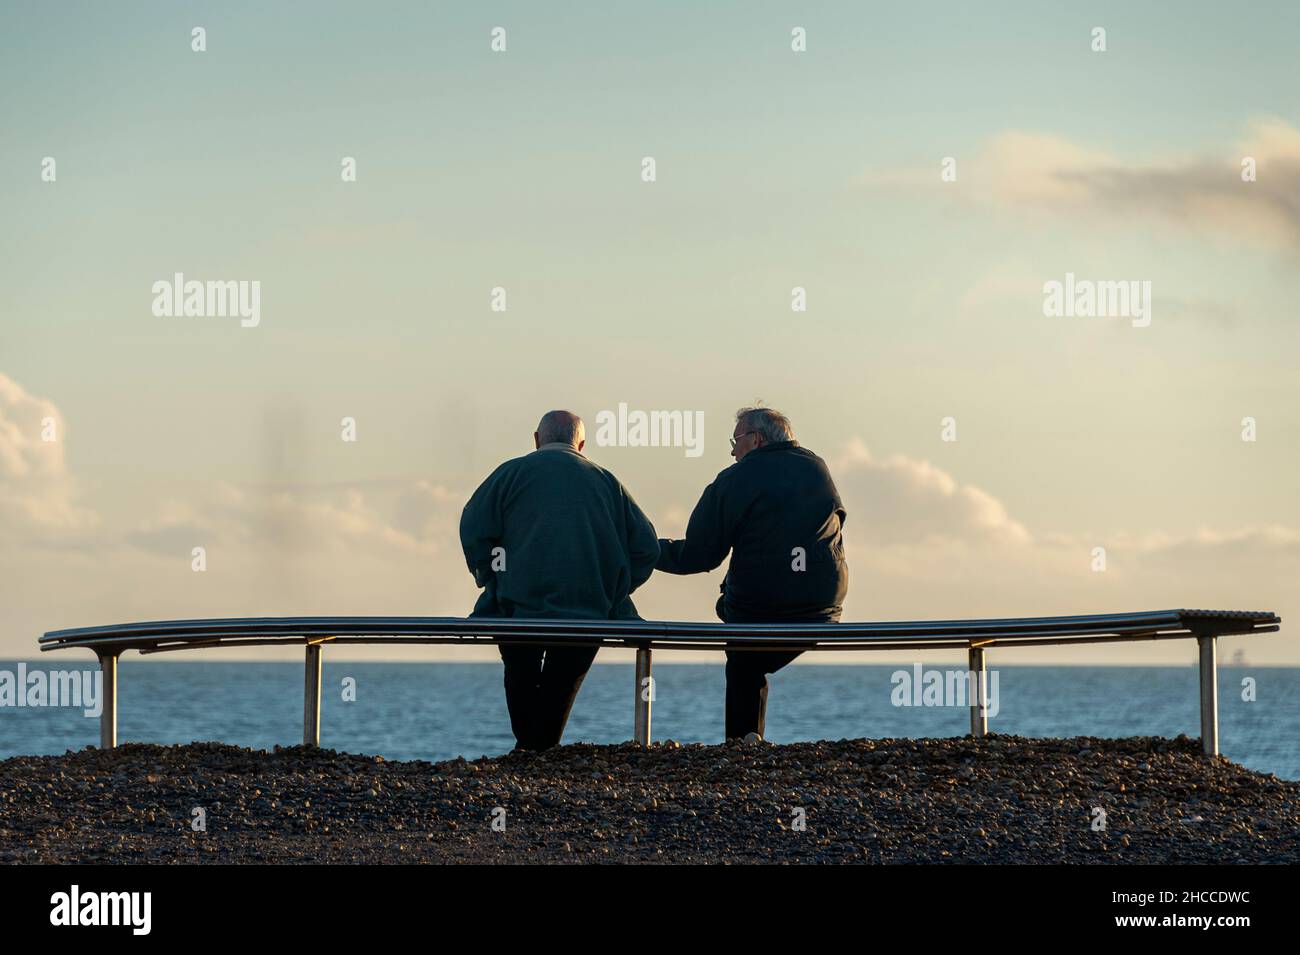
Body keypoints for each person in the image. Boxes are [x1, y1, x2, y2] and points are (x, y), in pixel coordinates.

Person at [460, 410, 659, 750]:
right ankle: (537, 760)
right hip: (587, 612)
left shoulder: (510, 474)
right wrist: (613, 589)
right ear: (581, 444)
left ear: (537, 439)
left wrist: (490, 577)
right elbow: (646, 548)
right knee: (560, 689)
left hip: (516, 609)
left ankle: (528, 760)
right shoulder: (607, 482)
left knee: (520, 678)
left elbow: (474, 529)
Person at [655, 406, 848, 740]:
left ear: (756, 440)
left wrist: (641, 548)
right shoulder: (818, 469)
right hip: (823, 609)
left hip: (761, 608)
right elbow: (835, 524)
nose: (732, 450)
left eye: (735, 440)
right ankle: (747, 743)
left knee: (743, 657)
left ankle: (742, 745)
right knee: (748, 647)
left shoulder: (733, 480)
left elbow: (698, 557)